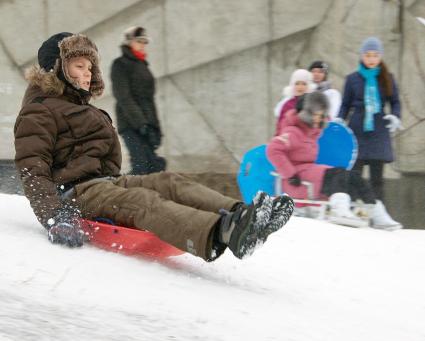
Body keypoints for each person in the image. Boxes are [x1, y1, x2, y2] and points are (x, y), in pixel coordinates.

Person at [14, 32, 295, 261]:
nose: (87, 74)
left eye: (90, 67)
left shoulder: (77, 106)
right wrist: (55, 216)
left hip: (107, 182)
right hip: (75, 194)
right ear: (57, 68)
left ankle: (243, 215)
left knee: (168, 181)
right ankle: (225, 231)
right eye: (79, 66)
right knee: (143, 201)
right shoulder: (39, 111)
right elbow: (31, 169)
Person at [266, 92, 402, 229]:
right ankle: (340, 209)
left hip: (310, 176)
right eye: (315, 114)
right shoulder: (292, 132)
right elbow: (273, 149)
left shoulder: (312, 135)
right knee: (338, 173)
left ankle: (377, 213)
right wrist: (290, 174)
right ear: (306, 113)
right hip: (297, 182)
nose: (318, 119)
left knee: (353, 176)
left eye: (321, 115)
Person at [337, 37, 402, 202]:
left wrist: (395, 116)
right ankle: (353, 207)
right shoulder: (352, 79)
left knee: (377, 179)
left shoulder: (388, 77)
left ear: (380, 57)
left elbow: (395, 101)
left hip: (379, 129)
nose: (371, 59)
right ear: (362, 56)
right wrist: (338, 121)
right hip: (357, 129)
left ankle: (377, 210)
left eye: (375, 55)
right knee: (354, 174)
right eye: (368, 55)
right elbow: (345, 105)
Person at [111, 26, 166, 175]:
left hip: (147, 124)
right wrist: (140, 123)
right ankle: (119, 195)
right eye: (139, 41)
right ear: (129, 42)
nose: (143, 44)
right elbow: (123, 97)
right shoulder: (120, 64)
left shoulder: (143, 66)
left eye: (145, 41)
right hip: (130, 124)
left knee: (154, 167)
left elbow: (149, 100)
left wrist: (155, 128)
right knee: (141, 167)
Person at [274, 69, 315, 136]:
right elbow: (280, 125)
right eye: (297, 84)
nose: (300, 87)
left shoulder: (313, 103)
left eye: (304, 84)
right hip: (290, 138)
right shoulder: (288, 104)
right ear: (292, 85)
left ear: (309, 86)